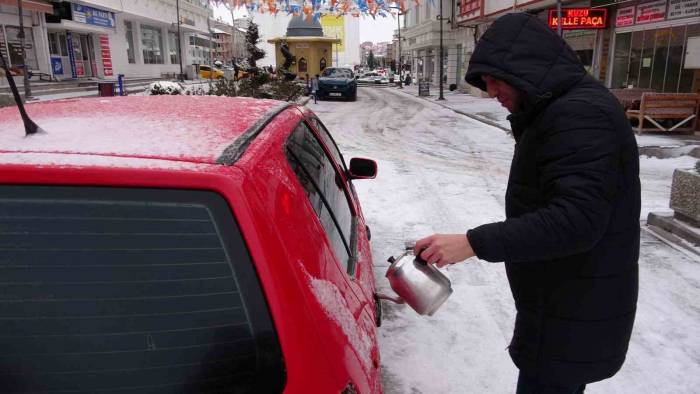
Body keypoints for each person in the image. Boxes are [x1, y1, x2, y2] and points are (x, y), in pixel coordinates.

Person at [414, 13, 640, 394]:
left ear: (524, 68)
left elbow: (576, 220)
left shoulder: (579, 114)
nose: (490, 92)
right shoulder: (561, 109)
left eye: (494, 79)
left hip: (573, 307)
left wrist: (472, 242)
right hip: (564, 301)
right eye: (484, 83)